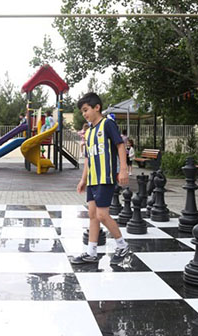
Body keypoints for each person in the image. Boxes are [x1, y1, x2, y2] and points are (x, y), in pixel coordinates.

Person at [71, 92, 131, 265]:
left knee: (102, 214)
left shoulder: (107, 124)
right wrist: (83, 179)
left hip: (105, 177)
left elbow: (120, 145)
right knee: (92, 215)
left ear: (97, 107)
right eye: (82, 111)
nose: (84, 114)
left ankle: (123, 246)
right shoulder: (89, 132)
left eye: (86, 110)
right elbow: (88, 158)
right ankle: (91, 252)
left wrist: (123, 169)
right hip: (92, 180)